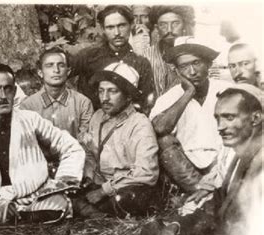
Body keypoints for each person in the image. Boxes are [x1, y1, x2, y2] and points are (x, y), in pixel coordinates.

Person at [132, 84, 262, 235]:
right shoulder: (238, 155)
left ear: (256, 118)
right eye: (218, 119)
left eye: (230, 118)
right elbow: (216, 204)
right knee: (154, 232)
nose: (221, 127)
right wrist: (174, 226)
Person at [0, 64, 85, 224]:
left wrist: (62, 181)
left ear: (15, 91)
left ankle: (16, 218)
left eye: (8, 89)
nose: (3, 96)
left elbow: (71, 147)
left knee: (58, 204)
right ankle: (19, 218)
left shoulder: (30, 119)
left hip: (35, 196)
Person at [74, 63, 159, 219]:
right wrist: (89, 179)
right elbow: (90, 153)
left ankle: (90, 210)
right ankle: (93, 208)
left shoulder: (139, 123)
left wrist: (103, 191)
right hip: (100, 182)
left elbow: (146, 172)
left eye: (113, 91)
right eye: (101, 91)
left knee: (129, 198)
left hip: (125, 186)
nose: (105, 98)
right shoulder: (98, 116)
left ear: (128, 96)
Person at [150, 36, 232, 193]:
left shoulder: (227, 90)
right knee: (163, 140)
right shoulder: (169, 97)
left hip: (222, 161)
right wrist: (188, 93)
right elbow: (159, 129)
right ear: (177, 71)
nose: (192, 72)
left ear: (208, 64)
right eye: (184, 66)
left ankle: (212, 192)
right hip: (186, 168)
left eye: (196, 63)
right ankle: (200, 190)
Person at [70, 5, 155, 113]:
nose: (117, 33)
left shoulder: (141, 63)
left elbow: (145, 102)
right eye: (110, 27)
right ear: (103, 29)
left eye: (122, 25)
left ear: (131, 25)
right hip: (92, 122)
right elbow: (61, 75)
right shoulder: (89, 56)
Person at [20, 46, 93, 140]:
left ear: (68, 71)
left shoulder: (83, 103)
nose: (56, 70)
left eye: (61, 65)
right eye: (50, 65)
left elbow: (86, 142)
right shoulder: (28, 106)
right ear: (40, 72)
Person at [139, 5, 195, 97]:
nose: (169, 30)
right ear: (157, 28)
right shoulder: (146, 57)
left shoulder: (197, 53)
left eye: (175, 23)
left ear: (184, 25)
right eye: (163, 25)